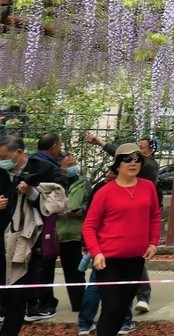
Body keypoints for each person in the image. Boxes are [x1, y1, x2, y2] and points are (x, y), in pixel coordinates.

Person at [81, 144, 160, 336]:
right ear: (117, 165)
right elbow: (89, 225)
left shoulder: (148, 187)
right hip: (108, 260)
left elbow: (155, 217)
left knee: (124, 306)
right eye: (127, 159)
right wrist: (96, 252)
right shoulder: (104, 191)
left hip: (135, 259)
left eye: (137, 159)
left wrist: (153, 243)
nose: (133, 163)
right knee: (112, 306)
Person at [0, 134, 66, 336]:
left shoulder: (43, 169)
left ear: (19, 153)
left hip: (28, 243)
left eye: (4, 156)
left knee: (17, 296)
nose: (1, 161)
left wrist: (31, 193)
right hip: (1, 240)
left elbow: (55, 205)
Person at [55, 153, 90, 314]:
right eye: (68, 165)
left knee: (75, 272)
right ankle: (43, 305)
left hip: (74, 234)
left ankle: (79, 305)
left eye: (74, 163)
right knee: (44, 272)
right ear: (59, 167)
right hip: (53, 234)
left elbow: (89, 201)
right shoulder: (52, 182)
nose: (72, 167)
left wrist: (81, 209)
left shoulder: (82, 182)